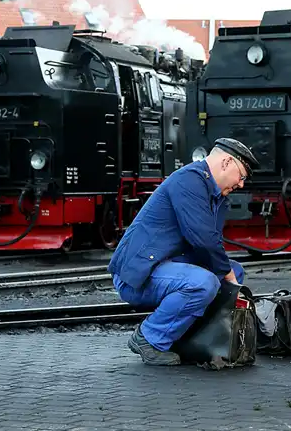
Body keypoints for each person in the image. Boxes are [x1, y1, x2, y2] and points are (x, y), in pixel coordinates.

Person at [107, 137, 259, 365]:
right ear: (226, 162)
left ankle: (189, 339)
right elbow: (203, 239)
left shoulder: (213, 194)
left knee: (233, 273)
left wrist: (229, 275)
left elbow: (210, 246)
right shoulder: (189, 181)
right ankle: (149, 338)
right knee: (204, 283)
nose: (241, 184)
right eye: (242, 176)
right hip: (137, 273)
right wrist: (226, 275)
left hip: (162, 266)